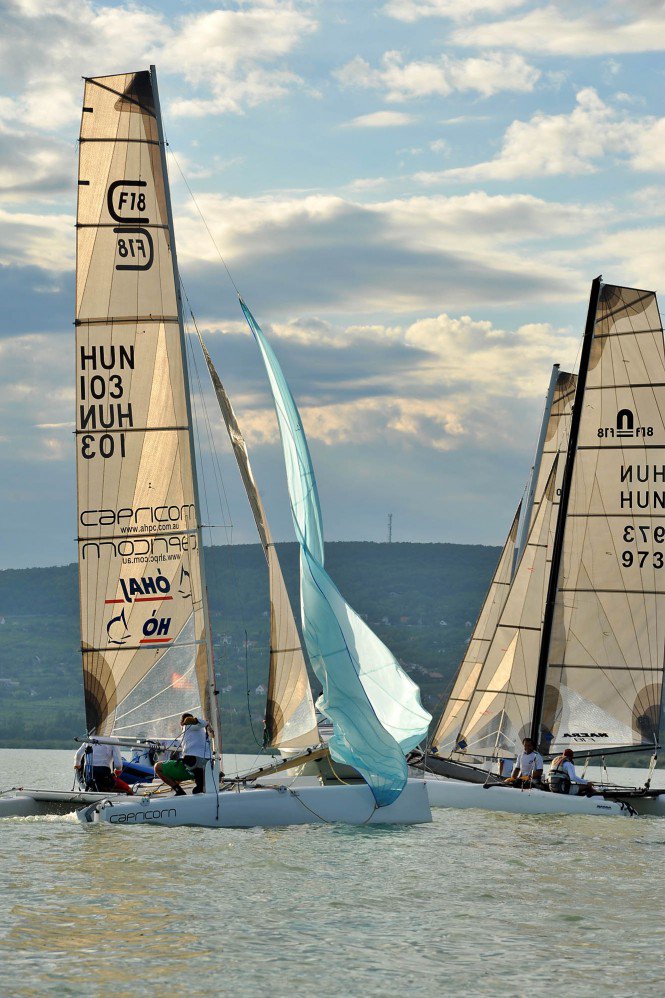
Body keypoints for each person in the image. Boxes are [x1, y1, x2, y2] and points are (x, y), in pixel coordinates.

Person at [154, 713, 211, 796]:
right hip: (205, 767)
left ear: (182, 722)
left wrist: (193, 720)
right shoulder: (201, 732)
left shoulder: (188, 727)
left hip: (192, 765)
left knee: (157, 767)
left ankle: (179, 791)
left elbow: (204, 723)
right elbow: (204, 723)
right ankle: (200, 784)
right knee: (186, 765)